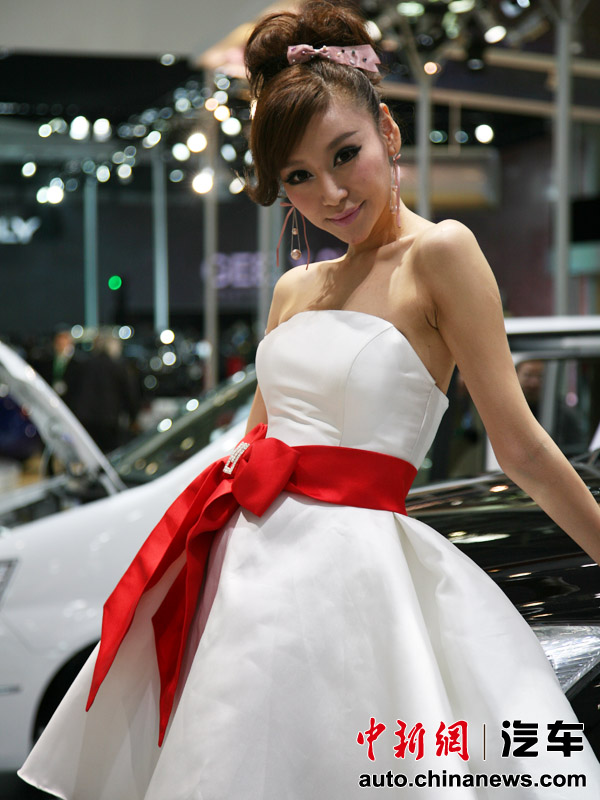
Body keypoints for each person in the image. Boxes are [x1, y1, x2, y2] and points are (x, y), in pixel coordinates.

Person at [19, 2, 600, 797]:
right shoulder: (293, 289)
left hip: (354, 580)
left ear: (387, 132)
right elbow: (254, 444)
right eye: (297, 176)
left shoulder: (441, 253)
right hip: (245, 573)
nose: (328, 194)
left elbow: (521, 446)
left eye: (344, 155)